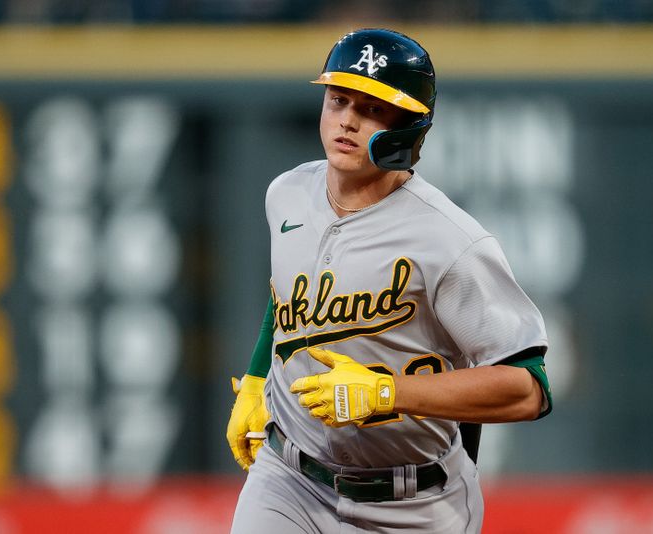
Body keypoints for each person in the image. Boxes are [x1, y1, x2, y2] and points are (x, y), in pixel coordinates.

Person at [227, 28, 552, 534]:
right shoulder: (287, 195)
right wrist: (254, 380)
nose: (348, 120)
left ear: (410, 128)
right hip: (287, 480)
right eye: (338, 99)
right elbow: (287, 296)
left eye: (374, 109)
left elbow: (527, 388)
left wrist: (385, 393)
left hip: (411, 504)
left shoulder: (450, 240)